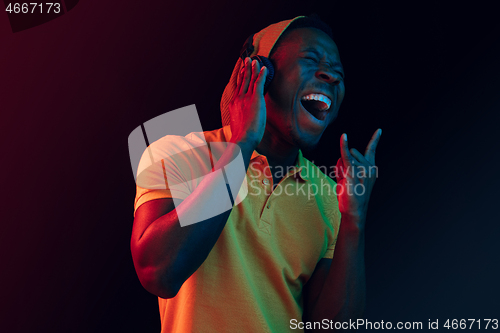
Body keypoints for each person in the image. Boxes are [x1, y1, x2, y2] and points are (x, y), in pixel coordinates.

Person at [131, 15, 381, 332]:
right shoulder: (177, 152)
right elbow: (158, 272)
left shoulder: (331, 197)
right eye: (311, 59)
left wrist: (353, 221)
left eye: (339, 73)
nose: (330, 76)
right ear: (260, 72)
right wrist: (243, 142)